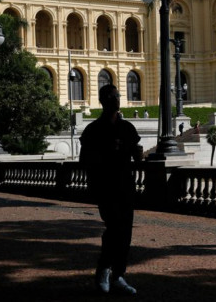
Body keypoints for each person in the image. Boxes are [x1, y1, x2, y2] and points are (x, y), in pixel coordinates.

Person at [79, 84, 142, 295]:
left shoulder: (127, 128)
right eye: (116, 95)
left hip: (125, 186)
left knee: (125, 232)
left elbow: (136, 155)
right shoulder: (94, 129)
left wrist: (136, 152)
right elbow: (84, 160)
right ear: (106, 99)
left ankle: (118, 275)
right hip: (105, 187)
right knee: (115, 229)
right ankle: (104, 270)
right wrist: (108, 151)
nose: (119, 98)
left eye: (119, 95)